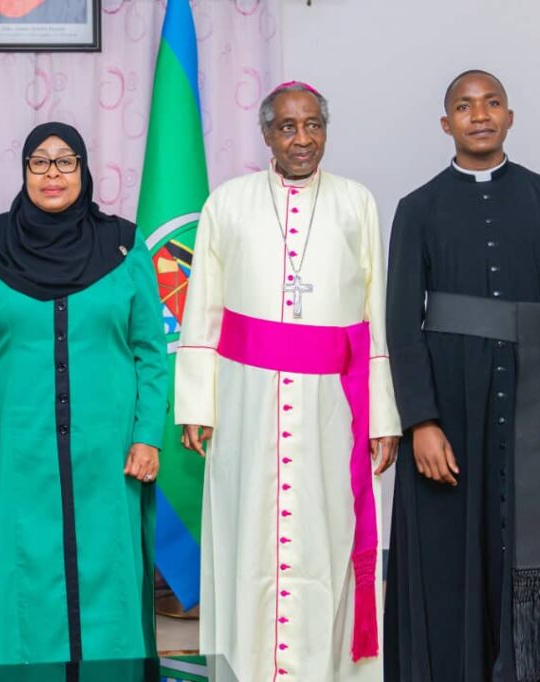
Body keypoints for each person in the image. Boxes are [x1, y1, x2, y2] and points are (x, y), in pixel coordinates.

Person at [175, 81, 401, 681]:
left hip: (333, 408)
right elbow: (204, 308)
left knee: (327, 536)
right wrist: (196, 403)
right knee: (248, 535)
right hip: (247, 401)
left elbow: (375, 315)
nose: (302, 139)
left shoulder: (356, 202)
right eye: (288, 127)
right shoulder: (227, 203)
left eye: (313, 126)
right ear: (267, 135)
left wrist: (382, 415)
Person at [384, 70, 540, 682]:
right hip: (447, 400)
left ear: (509, 117)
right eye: (465, 106)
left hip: (531, 393)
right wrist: (421, 421)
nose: (480, 115)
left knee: (526, 543)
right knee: (446, 547)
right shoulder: (417, 208)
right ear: (446, 123)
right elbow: (401, 325)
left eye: (492, 103)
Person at [0, 122, 168, 666]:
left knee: (107, 568)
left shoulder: (124, 244)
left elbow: (150, 351)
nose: (53, 174)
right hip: (15, 451)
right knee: (22, 571)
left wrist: (147, 435)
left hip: (107, 453)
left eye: (66, 161)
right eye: (39, 161)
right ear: (24, 171)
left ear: (83, 170)